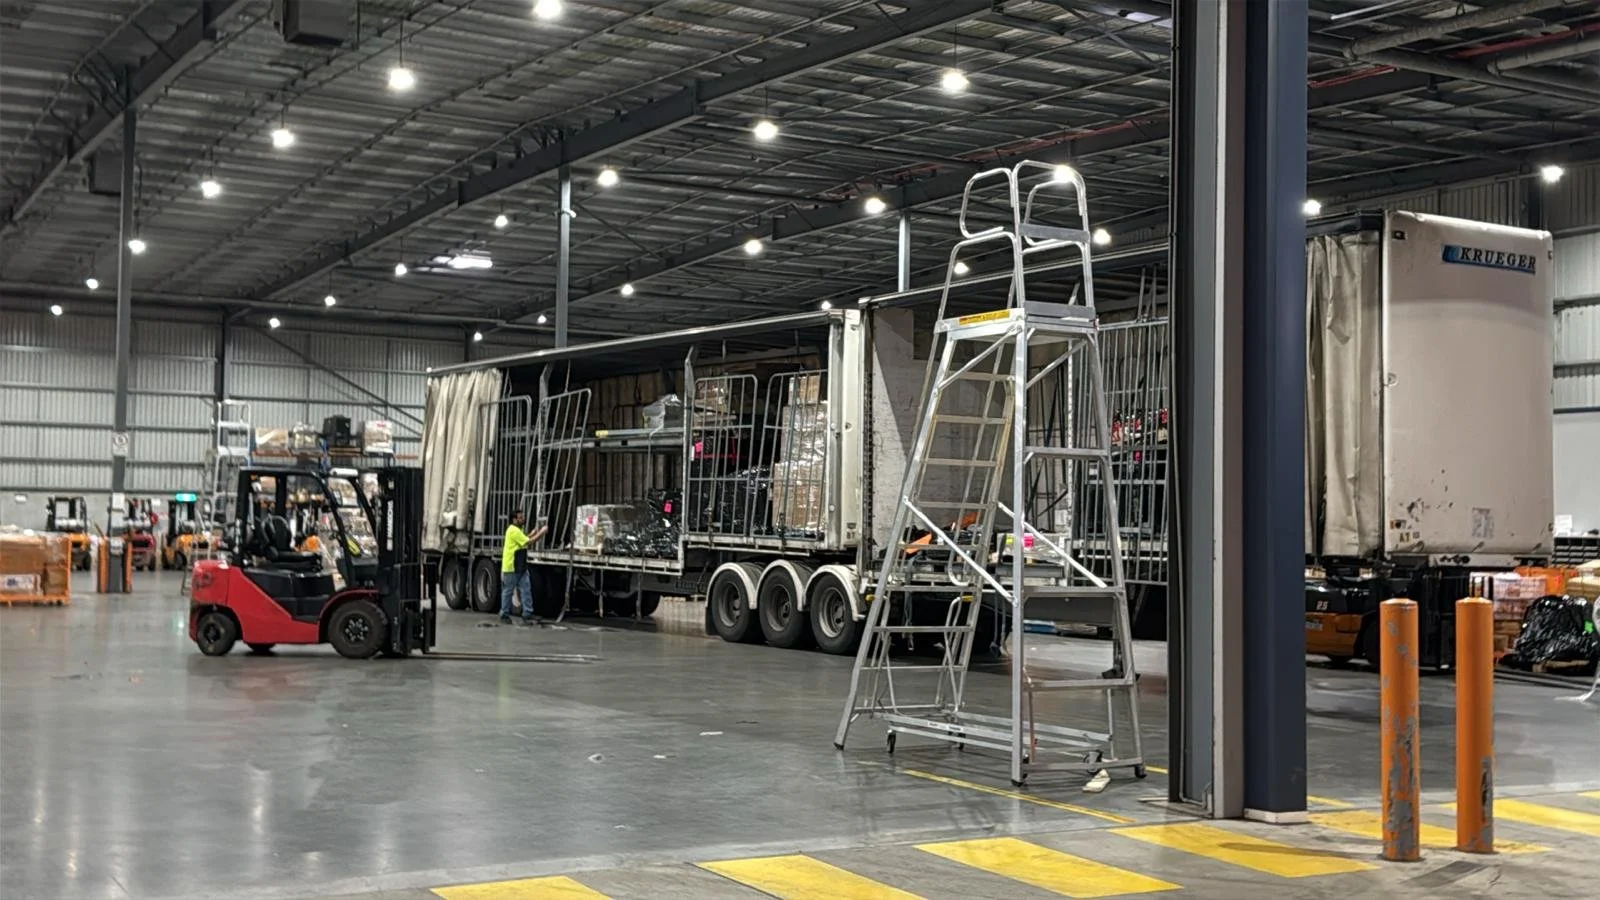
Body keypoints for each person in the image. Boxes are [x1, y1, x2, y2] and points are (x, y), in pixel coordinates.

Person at [500, 509, 548, 625]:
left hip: (519, 565)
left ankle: (527, 613)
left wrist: (531, 534)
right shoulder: (513, 530)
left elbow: (523, 539)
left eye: (523, 517)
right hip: (511, 566)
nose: (523, 519)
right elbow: (528, 542)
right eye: (520, 517)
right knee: (508, 591)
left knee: (526, 589)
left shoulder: (517, 530)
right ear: (514, 519)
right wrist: (541, 532)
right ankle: (504, 614)